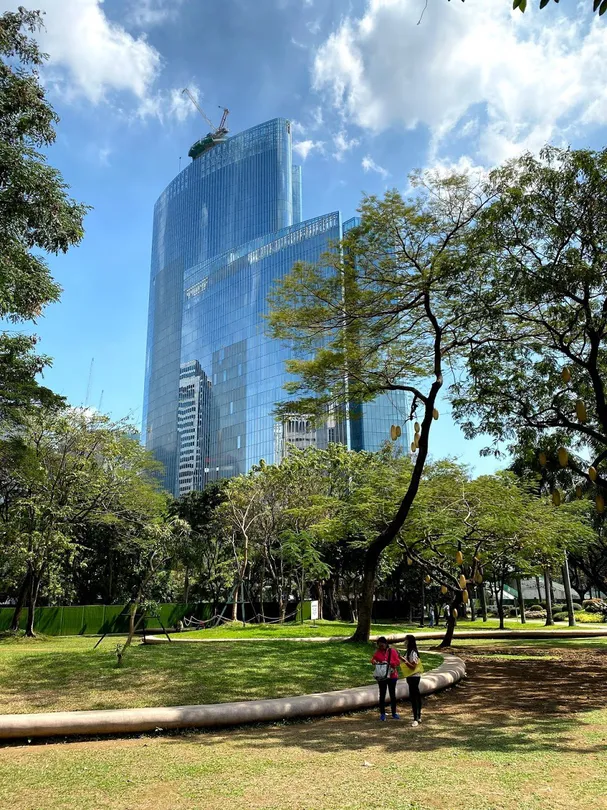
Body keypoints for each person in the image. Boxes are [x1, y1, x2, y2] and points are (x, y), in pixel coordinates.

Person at [371, 636, 401, 721]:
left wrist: (389, 663)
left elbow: (397, 662)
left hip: (392, 675)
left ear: (386, 644)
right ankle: (382, 713)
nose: (381, 647)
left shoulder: (392, 651)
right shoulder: (378, 652)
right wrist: (374, 662)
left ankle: (394, 712)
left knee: (392, 694)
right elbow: (373, 659)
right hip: (382, 676)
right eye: (379, 646)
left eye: (382, 645)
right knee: (382, 694)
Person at [401, 634, 424, 727]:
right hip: (410, 676)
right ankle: (418, 716)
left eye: (405, 640)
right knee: (415, 695)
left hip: (414, 676)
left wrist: (404, 660)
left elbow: (413, 666)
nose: (404, 642)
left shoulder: (412, 652)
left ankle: (416, 718)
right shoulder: (408, 651)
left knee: (414, 696)